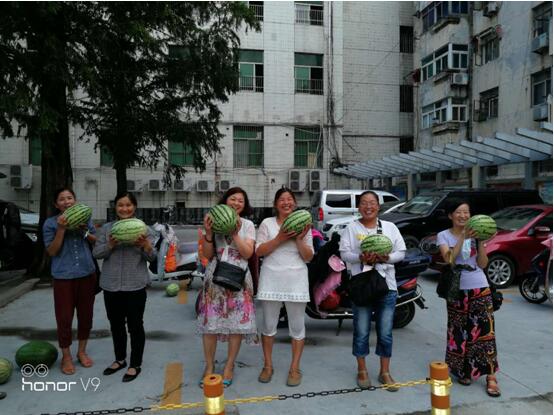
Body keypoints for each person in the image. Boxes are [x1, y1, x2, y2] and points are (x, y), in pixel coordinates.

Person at [339, 190, 406, 391]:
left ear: (378, 206)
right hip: (362, 285)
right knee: (361, 331)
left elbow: (401, 252)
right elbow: (344, 253)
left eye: (372, 202)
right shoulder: (351, 228)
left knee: (385, 332)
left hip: (387, 285)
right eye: (364, 202)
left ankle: (385, 372)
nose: (368, 206)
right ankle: (362, 370)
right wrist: (360, 257)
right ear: (359, 206)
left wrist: (387, 258)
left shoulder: (390, 227)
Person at [437, 199, 500, 397]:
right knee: (458, 331)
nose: (463, 216)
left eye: (466, 212)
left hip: (479, 287)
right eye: (458, 212)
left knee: (485, 332)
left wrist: (480, 242)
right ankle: (464, 371)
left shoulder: (477, 235)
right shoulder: (443, 235)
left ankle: (491, 376)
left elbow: (482, 263)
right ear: (450, 215)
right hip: (456, 290)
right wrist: (464, 236)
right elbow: (449, 259)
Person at [197, 187, 257, 388]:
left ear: (244, 205)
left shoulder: (248, 225)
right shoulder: (213, 222)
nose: (236, 203)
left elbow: (248, 253)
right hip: (215, 277)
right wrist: (208, 233)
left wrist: (235, 234)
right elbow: (207, 255)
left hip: (238, 278)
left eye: (241, 200)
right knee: (210, 325)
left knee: (236, 325)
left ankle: (229, 366)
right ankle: (209, 366)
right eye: (233, 199)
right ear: (225, 201)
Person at [93, 192, 156, 383]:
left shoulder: (144, 229)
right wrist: (110, 245)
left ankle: (135, 364)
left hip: (135, 285)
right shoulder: (107, 229)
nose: (125, 209)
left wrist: (145, 245)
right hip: (111, 285)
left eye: (128, 205)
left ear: (134, 207)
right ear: (115, 207)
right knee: (116, 325)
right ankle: (120, 359)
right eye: (120, 205)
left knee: (135, 326)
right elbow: (97, 253)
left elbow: (152, 258)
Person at [255, 188, 314, 387]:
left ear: (295, 203)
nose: (286, 202)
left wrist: (298, 238)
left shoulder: (304, 225)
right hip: (271, 278)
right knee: (268, 326)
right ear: (276, 204)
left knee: (297, 327)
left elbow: (309, 257)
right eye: (282, 199)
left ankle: (294, 368)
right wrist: (280, 238)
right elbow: (259, 251)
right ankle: (268, 366)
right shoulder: (267, 223)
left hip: (296, 279)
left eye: (290, 199)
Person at [43, 188, 98, 375]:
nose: (67, 201)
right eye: (62, 199)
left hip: (86, 273)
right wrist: (61, 229)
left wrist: (84, 231)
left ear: (75, 200)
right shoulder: (50, 224)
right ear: (56, 204)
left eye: (70, 198)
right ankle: (66, 356)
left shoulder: (85, 219)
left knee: (86, 316)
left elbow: (95, 241)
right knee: (64, 318)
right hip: (63, 277)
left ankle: (82, 352)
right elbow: (52, 251)